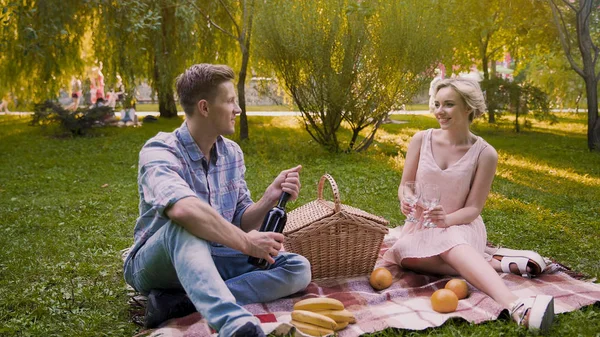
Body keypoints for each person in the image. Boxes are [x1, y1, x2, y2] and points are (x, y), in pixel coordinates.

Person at [122, 63, 312, 337]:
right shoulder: (159, 151)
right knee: (184, 227)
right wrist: (247, 244)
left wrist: (269, 198)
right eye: (231, 101)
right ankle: (234, 324)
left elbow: (240, 220)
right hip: (157, 264)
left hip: (215, 254)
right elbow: (184, 211)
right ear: (205, 108)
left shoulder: (232, 153)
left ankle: (182, 303)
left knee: (296, 268)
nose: (238, 109)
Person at [384, 77, 554, 333]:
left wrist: (446, 220)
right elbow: (406, 185)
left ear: (468, 107)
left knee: (450, 243)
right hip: (420, 227)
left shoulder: (485, 154)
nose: (439, 111)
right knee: (406, 258)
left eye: (449, 104)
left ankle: (518, 307)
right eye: (437, 104)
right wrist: (406, 199)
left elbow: (473, 209)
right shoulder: (421, 140)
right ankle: (495, 263)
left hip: (461, 225)